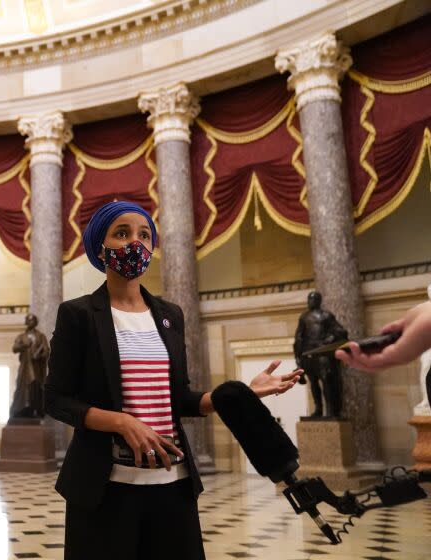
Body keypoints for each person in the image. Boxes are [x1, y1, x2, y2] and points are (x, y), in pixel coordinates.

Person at [45, 201, 301, 560]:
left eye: (144, 235)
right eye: (122, 233)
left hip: (172, 484)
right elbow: (56, 399)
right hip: (104, 487)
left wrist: (240, 394)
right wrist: (121, 422)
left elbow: (179, 397)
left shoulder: (169, 315)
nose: (136, 242)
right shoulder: (78, 314)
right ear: (100, 248)